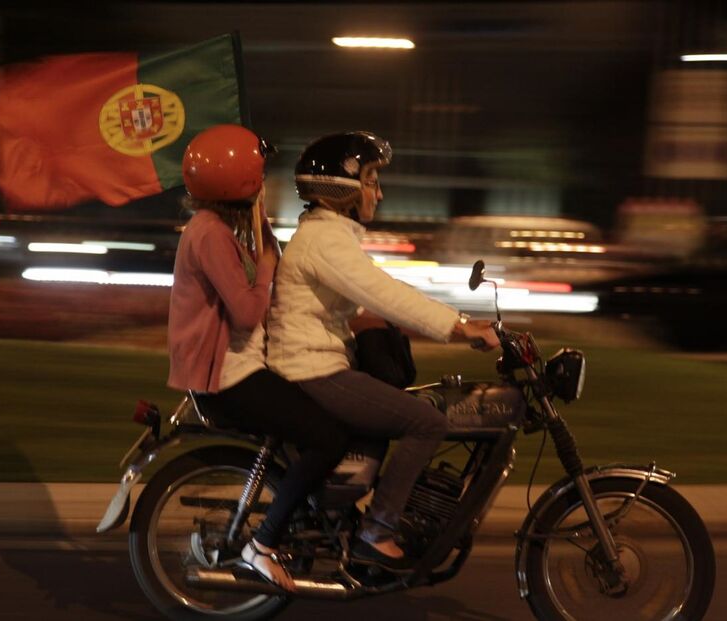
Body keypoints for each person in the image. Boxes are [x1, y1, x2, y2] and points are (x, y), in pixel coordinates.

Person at [267, 131, 500, 572]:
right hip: (312, 367)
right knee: (426, 421)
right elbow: (381, 293)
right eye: (372, 179)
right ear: (345, 187)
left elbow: (374, 293)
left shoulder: (330, 236)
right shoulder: (324, 240)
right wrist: (457, 326)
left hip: (319, 361)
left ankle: (363, 513)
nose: (380, 191)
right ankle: (377, 532)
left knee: (409, 407)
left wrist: (460, 320)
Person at [168, 124, 348, 591]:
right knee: (328, 437)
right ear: (242, 182)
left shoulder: (219, 228)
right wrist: (268, 258)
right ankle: (261, 546)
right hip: (230, 379)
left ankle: (311, 522)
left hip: (242, 369)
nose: (265, 183)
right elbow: (248, 310)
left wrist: (262, 233)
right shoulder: (209, 234)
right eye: (259, 175)